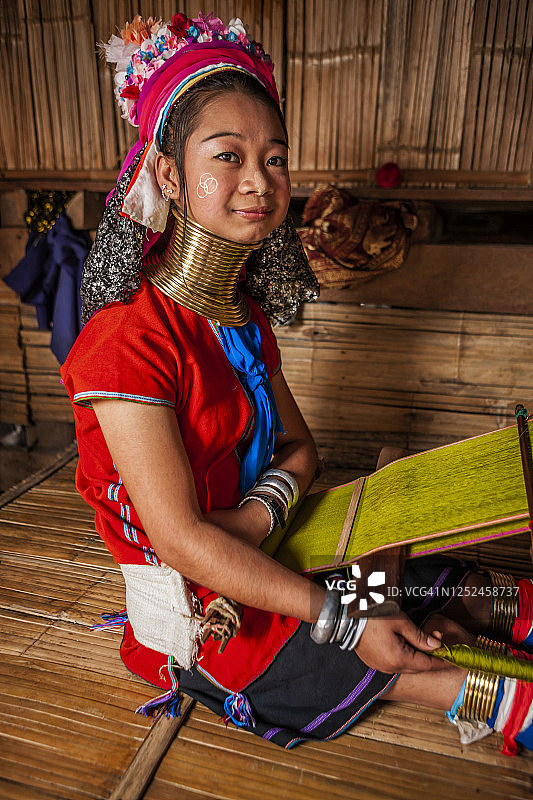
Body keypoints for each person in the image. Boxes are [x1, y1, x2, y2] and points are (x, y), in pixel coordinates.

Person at [61, 12, 533, 754]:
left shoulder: (241, 317)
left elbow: (300, 449)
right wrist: (346, 617)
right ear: (167, 174)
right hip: (207, 614)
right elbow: (182, 542)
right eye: (228, 156)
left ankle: (502, 616)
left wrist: (253, 523)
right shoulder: (126, 343)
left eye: (274, 158)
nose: (258, 181)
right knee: (392, 649)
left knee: (458, 587)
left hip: (276, 552)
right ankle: (491, 697)